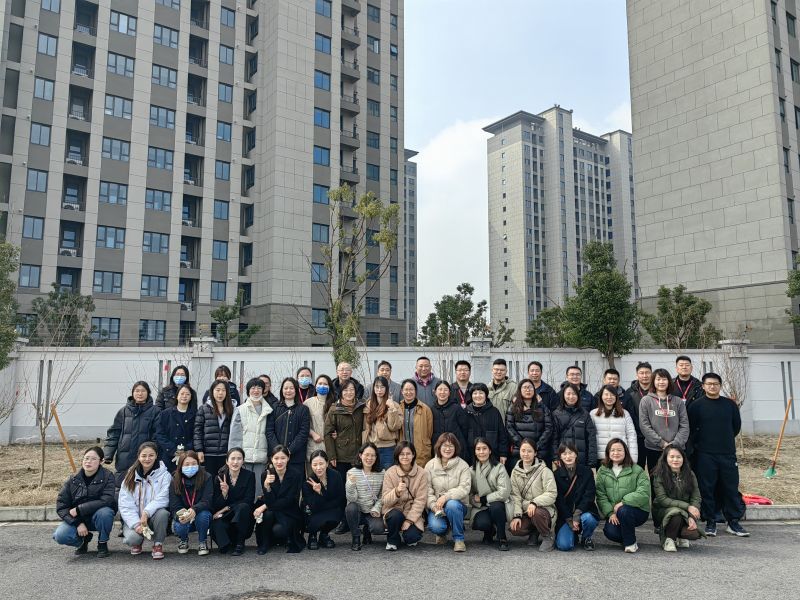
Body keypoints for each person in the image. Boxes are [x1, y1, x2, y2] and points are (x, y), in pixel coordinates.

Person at [687, 372, 749, 537]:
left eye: (715, 384)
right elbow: (692, 429)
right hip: (705, 454)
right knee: (707, 488)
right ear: (703, 386)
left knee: (730, 487)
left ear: (720, 386)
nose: (712, 386)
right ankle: (710, 521)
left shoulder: (730, 405)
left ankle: (733, 522)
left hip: (727, 453)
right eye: (709, 384)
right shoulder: (696, 406)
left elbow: (735, 427)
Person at [53, 446, 116, 558]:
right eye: (86, 458)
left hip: (98, 517)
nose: (88, 462)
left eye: (93, 459)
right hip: (78, 519)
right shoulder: (73, 479)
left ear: (101, 461)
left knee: (106, 513)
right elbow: (61, 506)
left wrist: (79, 509)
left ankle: (102, 543)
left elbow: (106, 500)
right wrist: (77, 523)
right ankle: (82, 540)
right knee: (60, 536)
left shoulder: (108, 476)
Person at [595, 438, 651, 553]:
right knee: (610, 532)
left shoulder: (637, 470)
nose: (616, 453)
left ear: (625, 452)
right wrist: (610, 513)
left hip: (637, 510)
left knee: (624, 510)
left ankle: (630, 543)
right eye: (612, 450)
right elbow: (601, 496)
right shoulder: (602, 470)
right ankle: (628, 536)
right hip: (614, 512)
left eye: (619, 450)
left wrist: (623, 502)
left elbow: (644, 493)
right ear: (608, 452)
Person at [117, 442, 171, 559]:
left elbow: (163, 498)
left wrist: (146, 512)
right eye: (144, 455)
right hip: (135, 518)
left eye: (151, 455)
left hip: (153, 518)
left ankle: (158, 544)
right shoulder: (130, 476)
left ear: (156, 456)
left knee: (163, 513)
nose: (147, 459)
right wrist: (137, 524)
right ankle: (137, 542)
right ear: (138, 456)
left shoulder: (165, 475)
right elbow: (125, 504)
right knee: (132, 539)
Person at [103, 381, 160, 488]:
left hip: (145, 457)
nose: (140, 393)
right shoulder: (123, 411)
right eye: (137, 391)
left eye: (143, 391)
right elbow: (114, 433)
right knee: (122, 487)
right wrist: (108, 454)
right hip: (124, 457)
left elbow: (157, 435)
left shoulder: (155, 411)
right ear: (133, 393)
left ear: (148, 393)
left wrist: (153, 452)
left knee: (144, 488)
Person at [651, 445, 705, 551]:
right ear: (665, 458)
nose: (675, 460)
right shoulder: (659, 474)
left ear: (683, 458)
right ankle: (669, 540)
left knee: (694, 534)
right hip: (663, 510)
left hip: (685, 511)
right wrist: (688, 507)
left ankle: (678, 535)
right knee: (676, 513)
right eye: (672, 457)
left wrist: (692, 517)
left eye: (678, 457)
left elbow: (696, 497)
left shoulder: (690, 474)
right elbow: (663, 499)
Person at [253, 446, 304, 554]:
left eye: (283, 458)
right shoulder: (266, 475)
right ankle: (265, 543)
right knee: (268, 514)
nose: (279, 462)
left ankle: (284, 538)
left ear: (288, 458)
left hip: (289, 511)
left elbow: (289, 500)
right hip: (272, 511)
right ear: (271, 459)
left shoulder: (296, 474)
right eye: (276, 458)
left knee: (278, 530)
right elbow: (269, 499)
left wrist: (265, 506)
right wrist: (267, 486)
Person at [425, 433, 472, 552]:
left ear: (456, 448)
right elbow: (427, 490)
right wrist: (433, 506)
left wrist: (446, 497)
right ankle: (442, 533)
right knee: (437, 527)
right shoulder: (430, 465)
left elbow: (464, 488)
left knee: (452, 505)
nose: (448, 449)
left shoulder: (463, 465)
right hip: (437, 507)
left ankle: (459, 539)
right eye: (445, 445)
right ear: (439, 447)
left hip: (457, 506)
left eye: (451, 446)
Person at [508, 438, 557, 551]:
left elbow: (551, 493)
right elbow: (515, 496)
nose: (526, 454)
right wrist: (517, 515)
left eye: (529, 451)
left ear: (535, 453)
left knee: (536, 512)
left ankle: (547, 536)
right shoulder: (515, 472)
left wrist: (535, 503)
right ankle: (535, 531)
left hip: (544, 510)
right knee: (516, 528)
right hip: (526, 510)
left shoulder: (545, 471)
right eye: (523, 450)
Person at [381, 441, 429, 551]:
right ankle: (392, 540)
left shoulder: (422, 473)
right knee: (394, 516)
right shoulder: (390, 472)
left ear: (413, 454)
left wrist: (409, 520)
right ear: (397, 456)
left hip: (411, 511)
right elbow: (385, 500)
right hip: (394, 510)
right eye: (402, 454)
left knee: (412, 538)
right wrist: (396, 491)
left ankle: (408, 534)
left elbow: (420, 500)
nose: (405, 457)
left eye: (408, 454)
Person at [228, 377, 273, 493]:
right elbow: (234, 436)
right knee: (243, 487)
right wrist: (234, 456)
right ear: (248, 391)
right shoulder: (240, 410)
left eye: (259, 388)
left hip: (261, 456)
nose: (256, 391)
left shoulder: (269, 410)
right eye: (253, 388)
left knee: (259, 487)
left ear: (263, 390)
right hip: (243, 457)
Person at [639, 369, 689, 472]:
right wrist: (662, 443)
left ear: (669, 381)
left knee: (676, 478)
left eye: (664, 379)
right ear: (653, 381)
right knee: (656, 478)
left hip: (677, 449)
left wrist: (674, 444)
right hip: (654, 448)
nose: (661, 382)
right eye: (658, 379)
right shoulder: (646, 400)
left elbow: (684, 425)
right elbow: (644, 425)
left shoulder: (678, 401)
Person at [553, 443, 599, 552]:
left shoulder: (587, 471)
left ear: (576, 454)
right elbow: (559, 500)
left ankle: (586, 538)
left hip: (583, 512)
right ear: (560, 456)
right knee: (564, 546)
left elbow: (589, 495)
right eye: (564, 454)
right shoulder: (556, 474)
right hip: (565, 516)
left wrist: (577, 514)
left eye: (571, 453)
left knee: (589, 519)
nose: (568, 457)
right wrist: (570, 519)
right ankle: (573, 535)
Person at [211, 447, 255, 555]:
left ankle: (240, 543)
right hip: (226, 516)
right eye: (232, 458)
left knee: (243, 507)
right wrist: (224, 494)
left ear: (243, 461)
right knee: (217, 523)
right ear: (227, 461)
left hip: (241, 515)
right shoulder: (219, 477)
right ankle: (227, 543)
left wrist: (227, 508)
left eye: (239, 459)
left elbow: (249, 500)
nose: (235, 462)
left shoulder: (249, 475)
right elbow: (215, 505)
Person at [469, 437, 510, 551]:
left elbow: (504, 492)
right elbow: (469, 494)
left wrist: (483, 499)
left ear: (490, 450)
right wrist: (475, 500)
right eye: (478, 449)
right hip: (481, 506)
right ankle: (489, 531)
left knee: (496, 507)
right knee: (480, 523)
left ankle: (502, 537)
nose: (481, 452)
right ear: (475, 452)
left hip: (498, 503)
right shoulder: (471, 470)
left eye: (484, 448)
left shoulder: (499, 467)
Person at [170, 451, 213, 556]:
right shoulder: (175, 479)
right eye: (187, 464)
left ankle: (202, 541)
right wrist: (180, 515)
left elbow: (207, 500)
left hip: (200, 512)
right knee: (179, 524)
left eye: (194, 464)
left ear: (198, 464)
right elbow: (174, 505)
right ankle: (183, 540)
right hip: (184, 513)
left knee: (203, 515)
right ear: (181, 466)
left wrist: (194, 509)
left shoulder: (206, 477)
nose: (190, 467)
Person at [266, 377, 311, 476]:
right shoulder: (274, 407)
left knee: (295, 483)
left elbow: (303, 433)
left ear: (296, 390)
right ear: (282, 390)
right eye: (285, 388)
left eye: (291, 388)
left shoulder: (303, 409)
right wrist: (278, 451)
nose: (288, 391)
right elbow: (269, 431)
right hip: (276, 458)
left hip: (296, 457)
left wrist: (289, 450)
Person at [345, 443, 386, 551]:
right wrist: (350, 484)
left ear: (376, 457)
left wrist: (377, 508)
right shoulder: (351, 472)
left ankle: (367, 530)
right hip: (357, 510)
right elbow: (351, 499)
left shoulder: (382, 473)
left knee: (378, 528)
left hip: (373, 510)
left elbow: (383, 495)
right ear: (360, 455)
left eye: (373, 455)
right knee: (350, 508)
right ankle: (356, 537)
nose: (369, 458)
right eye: (366, 455)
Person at [303, 450, 346, 550]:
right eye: (315, 464)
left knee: (337, 514)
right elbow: (313, 507)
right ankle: (312, 535)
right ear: (311, 465)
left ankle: (324, 534)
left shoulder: (336, 475)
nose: (318, 468)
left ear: (327, 463)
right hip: (314, 513)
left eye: (321, 464)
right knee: (314, 517)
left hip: (331, 510)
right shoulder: (308, 482)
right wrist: (318, 493)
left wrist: (322, 494)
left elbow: (340, 498)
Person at [506, 378, 553, 469]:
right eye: (525, 387)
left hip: (540, 452)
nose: (528, 390)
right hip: (519, 452)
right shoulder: (513, 408)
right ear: (520, 390)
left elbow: (548, 428)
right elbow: (509, 428)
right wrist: (523, 446)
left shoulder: (542, 407)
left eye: (530, 387)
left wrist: (536, 446)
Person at [324, 379, 366, 480]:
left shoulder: (362, 406)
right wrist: (332, 456)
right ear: (341, 392)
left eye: (351, 390)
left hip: (358, 453)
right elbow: (328, 433)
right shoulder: (334, 409)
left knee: (356, 484)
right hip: (341, 455)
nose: (349, 393)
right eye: (345, 390)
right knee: (341, 483)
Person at [550, 383, 597, 468]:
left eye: (574, 394)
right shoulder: (556, 414)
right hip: (563, 458)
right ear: (563, 395)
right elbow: (554, 438)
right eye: (568, 394)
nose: (571, 396)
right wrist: (555, 457)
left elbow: (591, 438)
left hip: (582, 459)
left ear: (578, 396)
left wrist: (592, 461)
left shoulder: (585, 414)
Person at [590, 384, 638, 467]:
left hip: (620, 456)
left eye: (612, 395)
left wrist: (633, 458)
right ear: (601, 397)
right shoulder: (593, 414)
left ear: (616, 397)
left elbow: (631, 435)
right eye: (606, 394)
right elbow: (590, 437)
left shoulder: (624, 414)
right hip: (602, 457)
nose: (609, 397)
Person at [194, 379, 234, 477]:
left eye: (223, 390)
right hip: (208, 454)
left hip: (225, 454)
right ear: (212, 391)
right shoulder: (204, 408)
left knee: (223, 481)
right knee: (208, 480)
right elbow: (197, 431)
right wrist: (199, 450)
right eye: (218, 390)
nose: (220, 393)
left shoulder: (232, 409)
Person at [363, 375, 403, 468]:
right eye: (377, 387)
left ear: (386, 388)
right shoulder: (368, 405)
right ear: (373, 388)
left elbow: (394, 427)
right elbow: (365, 427)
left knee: (387, 474)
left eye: (382, 387)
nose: (379, 390)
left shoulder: (394, 405)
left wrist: (391, 408)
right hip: (371, 447)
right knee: (373, 474)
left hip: (388, 448)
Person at [156, 383, 197, 473]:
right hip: (168, 455)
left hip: (188, 457)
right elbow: (160, 434)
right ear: (177, 396)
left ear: (191, 397)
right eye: (182, 393)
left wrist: (184, 450)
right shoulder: (165, 414)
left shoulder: (195, 415)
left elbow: (197, 435)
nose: (184, 396)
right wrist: (173, 450)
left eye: (187, 394)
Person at [465, 383, 509, 466]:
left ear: (486, 395)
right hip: (471, 455)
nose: (478, 396)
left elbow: (502, 434)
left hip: (492, 454)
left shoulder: (494, 412)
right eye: (475, 393)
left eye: (481, 393)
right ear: (471, 396)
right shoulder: (465, 412)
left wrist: (503, 453)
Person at [431, 380, 470, 463]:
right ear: (435, 392)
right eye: (440, 389)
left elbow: (465, 429)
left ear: (449, 393)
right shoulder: (431, 409)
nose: (442, 392)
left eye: (445, 390)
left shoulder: (457, 408)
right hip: (438, 448)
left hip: (455, 448)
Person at [623, 361, 653, 468]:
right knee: (638, 467)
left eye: (647, 373)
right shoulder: (629, 392)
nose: (644, 375)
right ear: (637, 375)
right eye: (641, 373)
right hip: (637, 436)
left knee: (656, 468)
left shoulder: (658, 390)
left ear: (651, 374)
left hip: (654, 436)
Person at [399, 378, 434, 466]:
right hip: (403, 451)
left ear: (416, 391)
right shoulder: (398, 408)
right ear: (402, 391)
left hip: (421, 452)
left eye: (411, 389)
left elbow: (430, 432)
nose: (409, 392)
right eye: (406, 390)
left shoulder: (425, 409)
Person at [306, 375, 334, 464]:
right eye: (320, 383)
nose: (322, 386)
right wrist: (312, 434)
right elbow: (302, 424)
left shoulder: (334, 403)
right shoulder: (308, 403)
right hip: (313, 445)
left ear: (329, 387)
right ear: (315, 386)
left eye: (325, 384)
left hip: (330, 446)